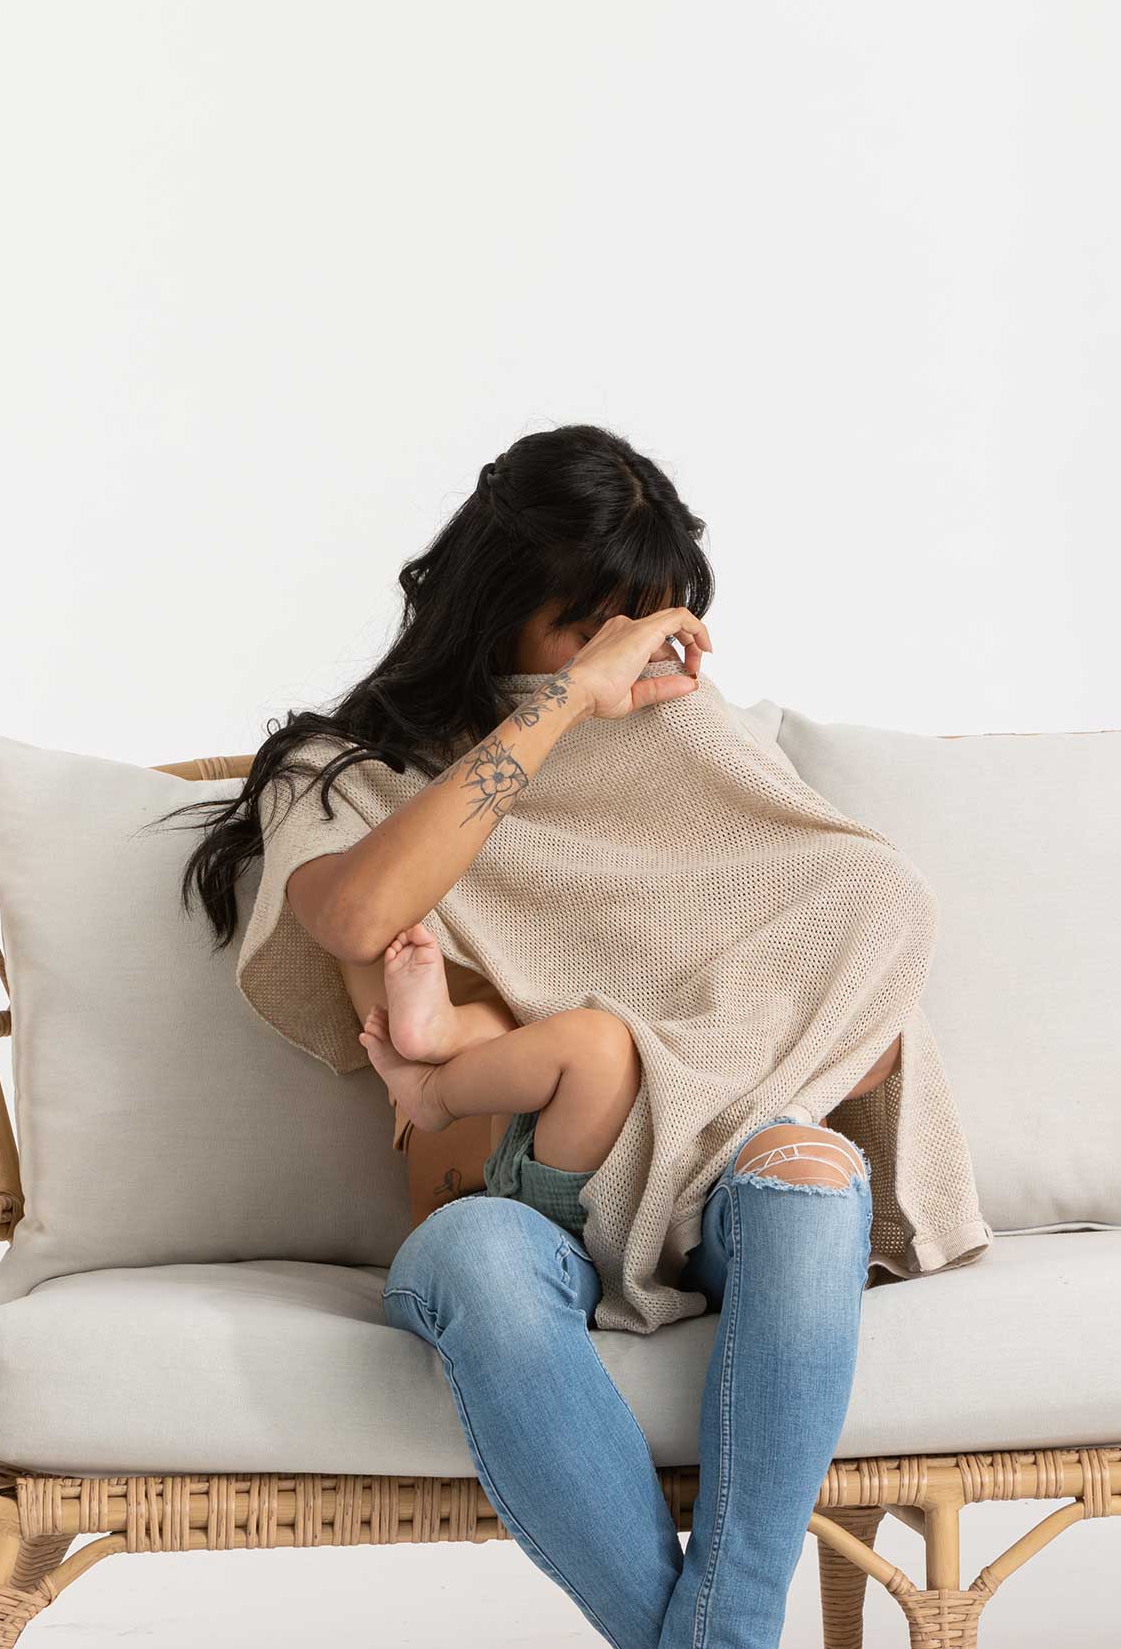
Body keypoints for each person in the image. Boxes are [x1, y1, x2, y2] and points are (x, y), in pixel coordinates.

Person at [162, 423, 902, 1649]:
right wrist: (562, 707)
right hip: (512, 1212)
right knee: (479, 1268)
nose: (621, 657)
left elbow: (854, 1002)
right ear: (496, 604)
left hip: (704, 1180)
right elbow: (358, 914)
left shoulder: (688, 745)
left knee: (814, 1177)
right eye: (587, 628)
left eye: (642, 627)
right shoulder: (346, 773)